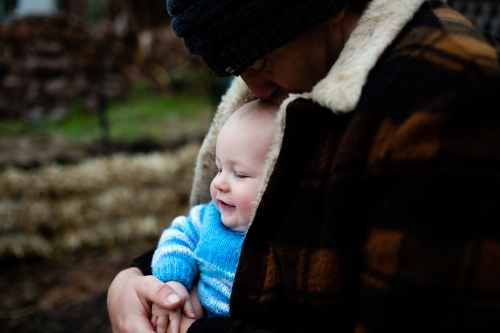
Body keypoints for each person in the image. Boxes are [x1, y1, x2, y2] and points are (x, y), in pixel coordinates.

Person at [107, 0, 500, 332]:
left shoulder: (448, 96)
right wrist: (133, 283)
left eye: (260, 59)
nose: (253, 90)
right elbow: (241, 226)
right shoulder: (307, 59)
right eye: (235, 70)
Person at [150, 100, 279, 333]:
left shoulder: (283, 238)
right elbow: (178, 238)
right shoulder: (208, 217)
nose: (219, 183)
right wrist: (174, 282)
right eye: (219, 169)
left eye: (239, 174)